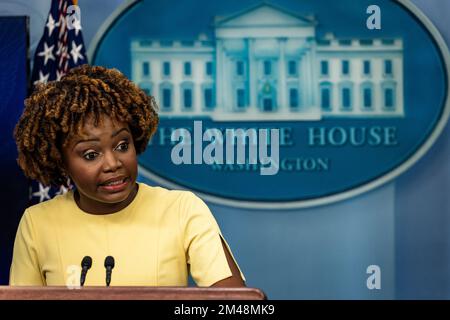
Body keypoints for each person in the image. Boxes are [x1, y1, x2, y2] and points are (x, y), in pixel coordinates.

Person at [10, 65, 245, 287]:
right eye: (91, 155)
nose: (113, 164)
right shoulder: (37, 223)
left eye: (122, 145)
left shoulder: (182, 210)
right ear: (60, 161)